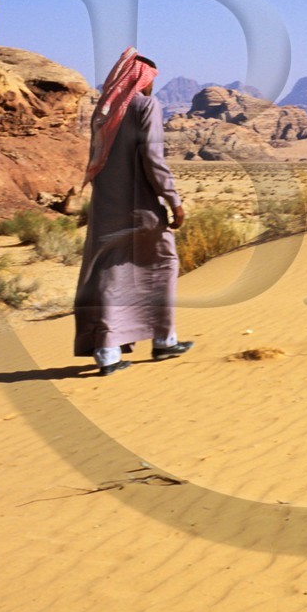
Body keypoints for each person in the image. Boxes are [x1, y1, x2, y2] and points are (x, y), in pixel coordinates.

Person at [73, 47, 193, 376]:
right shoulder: (144, 105)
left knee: (110, 274)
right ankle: (164, 340)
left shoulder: (105, 111)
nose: (153, 87)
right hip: (140, 206)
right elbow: (153, 160)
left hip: (105, 207)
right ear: (140, 81)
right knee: (164, 265)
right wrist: (174, 201)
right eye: (150, 80)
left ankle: (107, 351)